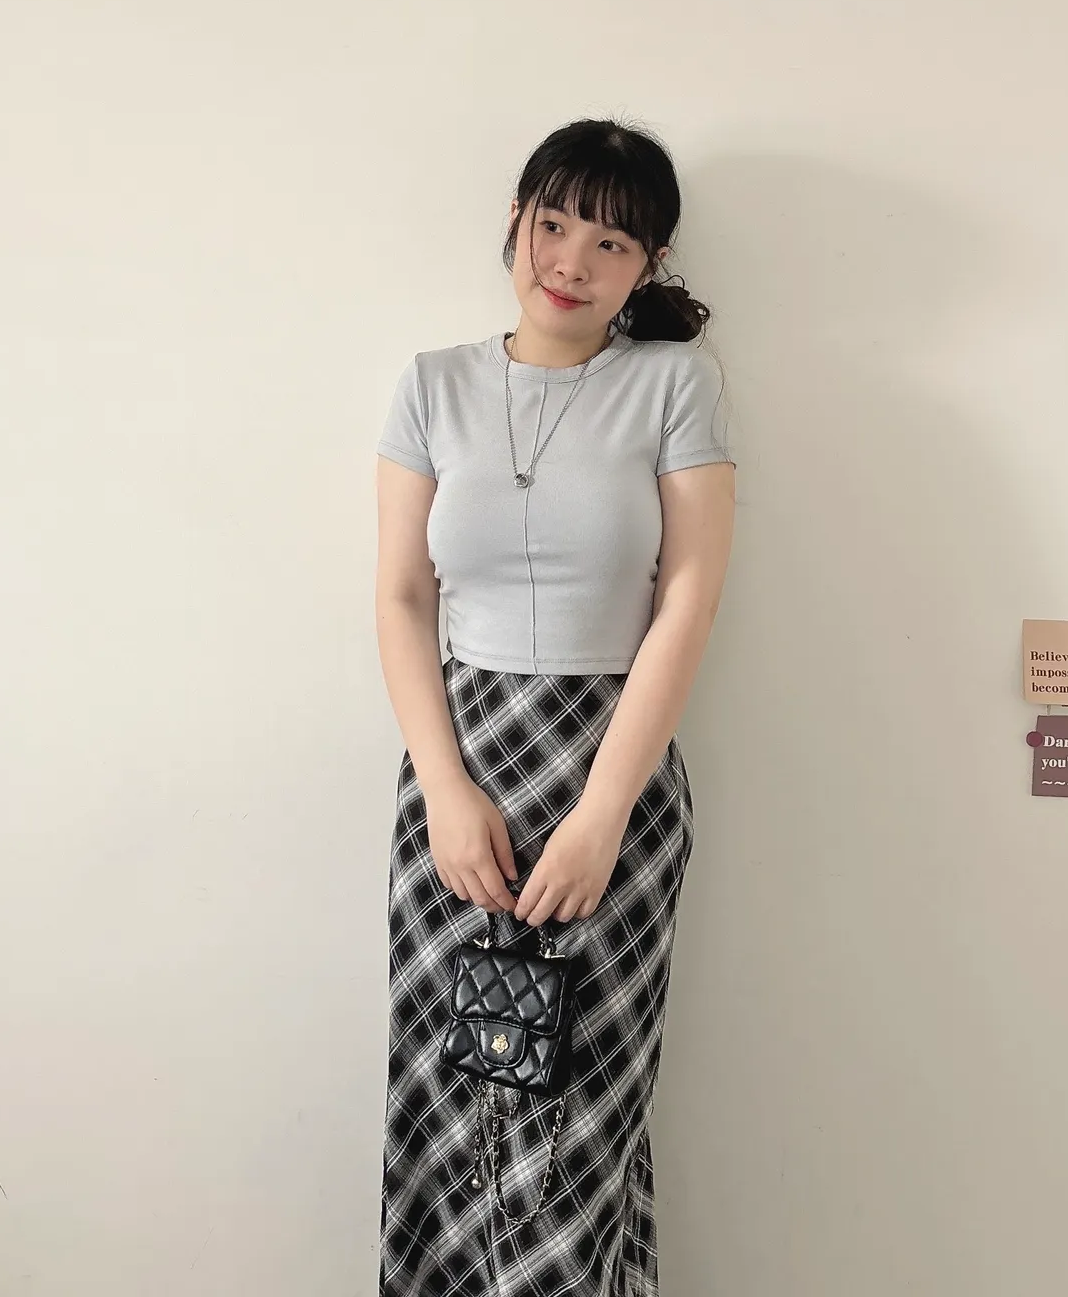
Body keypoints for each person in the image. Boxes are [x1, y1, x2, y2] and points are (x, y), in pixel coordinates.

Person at [374, 118, 736, 1296]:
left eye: (612, 240)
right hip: (458, 778)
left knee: (578, 1125)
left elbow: (686, 599)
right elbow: (401, 597)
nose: (573, 259)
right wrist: (444, 790)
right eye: (555, 222)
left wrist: (601, 815)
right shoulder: (432, 384)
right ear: (518, 222)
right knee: (447, 1109)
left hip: (610, 778)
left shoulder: (675, 384)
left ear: (649, 264)